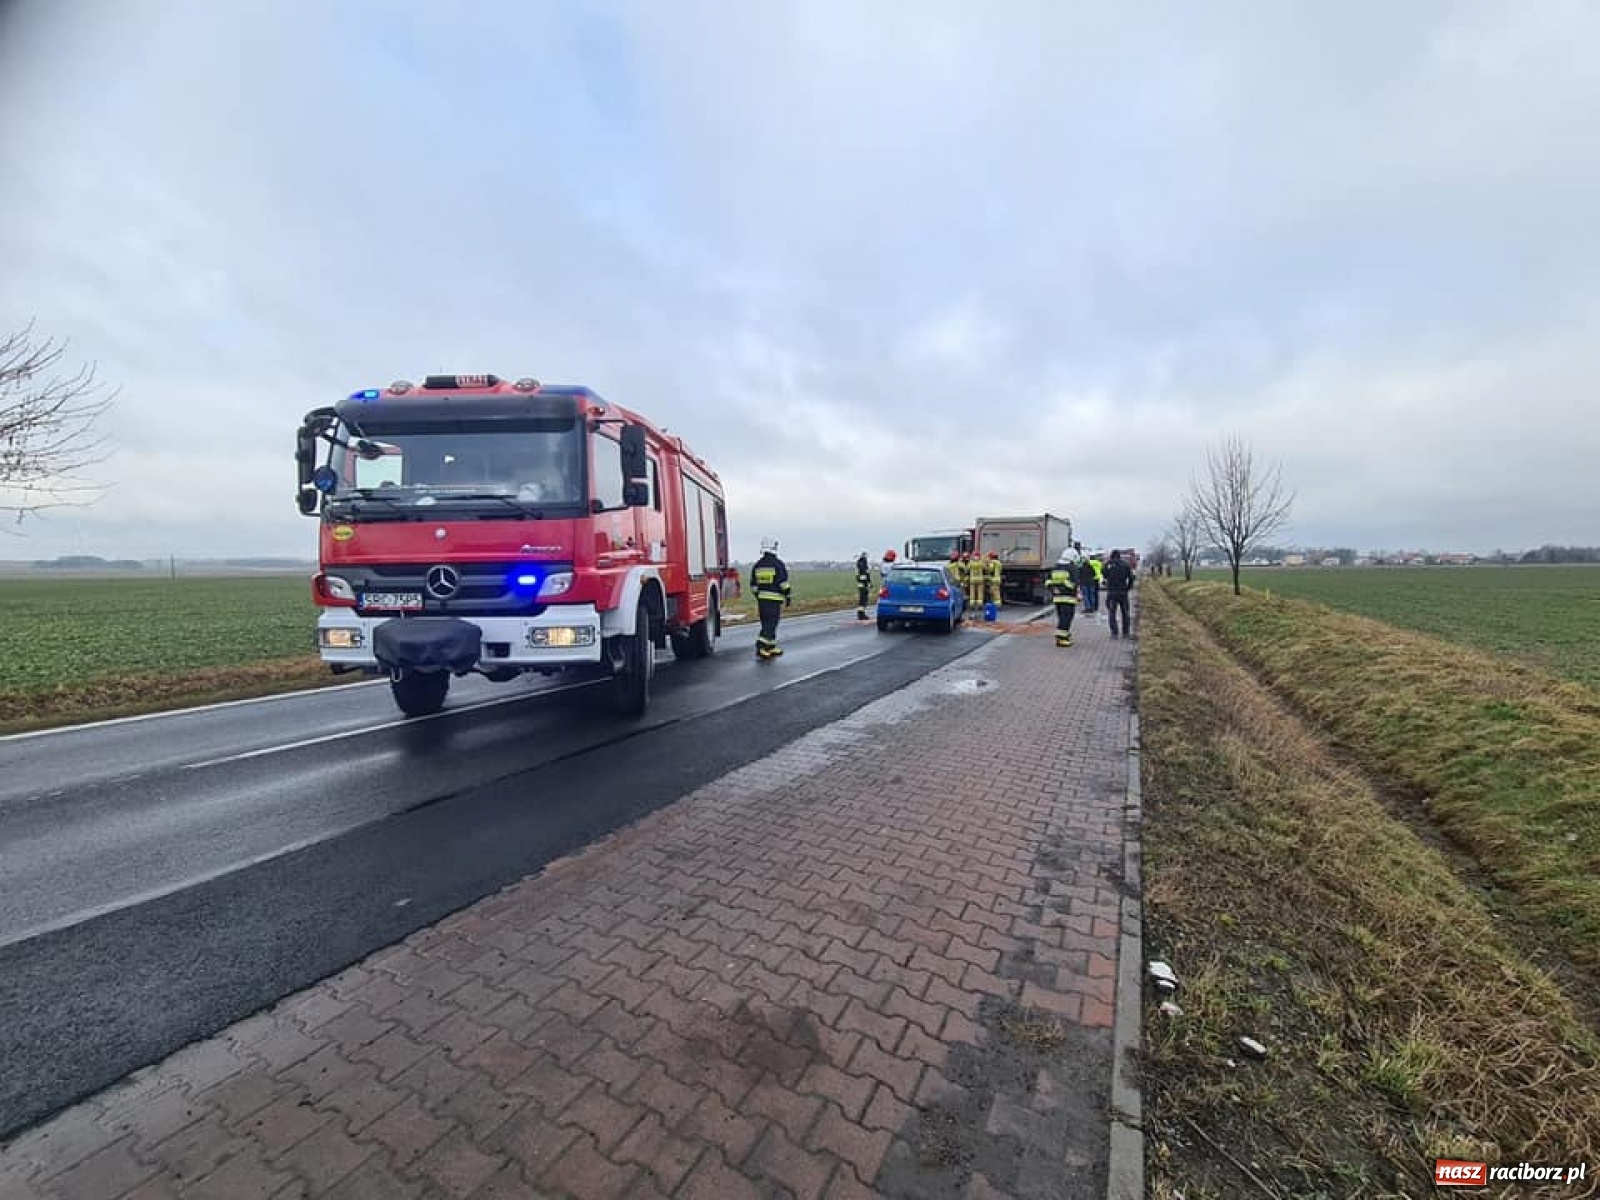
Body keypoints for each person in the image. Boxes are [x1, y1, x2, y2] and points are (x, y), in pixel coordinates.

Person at [750, 537, 791, 659]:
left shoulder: (757, 565)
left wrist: (759, 596)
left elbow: (753, 585)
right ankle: (761, 646)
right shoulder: (778, 564)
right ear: (774, 547)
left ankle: (771, 647)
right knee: (771, 624)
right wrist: (788, 595)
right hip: (774, 600)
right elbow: (783, 583)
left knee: (766, 623)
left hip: (762, 601)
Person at [1046, 553, 1079, 647]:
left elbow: (1048, 581)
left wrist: (1054, 589)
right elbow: (1074, 583)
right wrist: (1064, 587)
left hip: (1057, 598)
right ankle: (1062, 639)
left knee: (1061, 617)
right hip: (1069, 598)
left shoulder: (1055, 568)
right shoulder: (1072, 568)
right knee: (1067, 618)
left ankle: (1063, 636)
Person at [1102, 548, 1136, 638]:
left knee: (1112, 613)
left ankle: (1114, 632)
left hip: (1112, 593)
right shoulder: (1125, 565)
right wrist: (1128, 587)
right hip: (1123, 592)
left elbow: (1104, 575)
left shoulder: (1108, 565)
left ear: (1111, 556)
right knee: (1125, 612)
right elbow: (1132, 578)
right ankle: (1126, 632)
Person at [854, 549, 872, 621]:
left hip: (863, 584)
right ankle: (861, 615)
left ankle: (862, 614)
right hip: (863, 585)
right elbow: (864, 575)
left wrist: (869, 582)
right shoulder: (862, 564)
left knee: (863, 600)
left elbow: (866, 575)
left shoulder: (861, 563)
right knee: (863, 600)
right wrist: (868, 582)